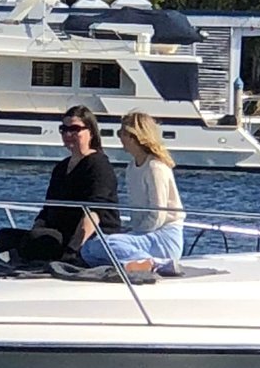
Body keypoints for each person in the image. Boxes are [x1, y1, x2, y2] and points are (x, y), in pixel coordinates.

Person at [0, 105, 120, 262]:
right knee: (4, 237)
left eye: (75, 129)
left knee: (35, 240)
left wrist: (73, 249)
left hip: (86, 237)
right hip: (58, 232)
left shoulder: (98, 165)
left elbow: (93, 214)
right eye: (64, 129)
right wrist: (36, 230)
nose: (68, 134)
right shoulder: (61, 167)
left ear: (91, 132)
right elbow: (47, 210)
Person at [79, 111, 185, 270]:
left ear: (133, 136)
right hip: (146, 234)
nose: (119, 137)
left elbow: (157, 215)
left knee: (108, 243)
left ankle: (157, 263)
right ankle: (134, 263)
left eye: (121, 133)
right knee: (88, 249)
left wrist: (134, 234)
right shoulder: (132, 168)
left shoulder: (155, 167)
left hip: (164, 236)